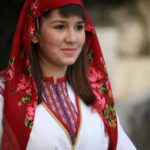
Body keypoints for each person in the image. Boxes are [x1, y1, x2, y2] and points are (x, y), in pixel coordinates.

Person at [0, 0, 137, 149]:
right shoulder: (4, 95)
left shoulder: (95, 94)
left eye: (79, 27)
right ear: (34, 32)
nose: (72, 38)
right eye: (60, 27)